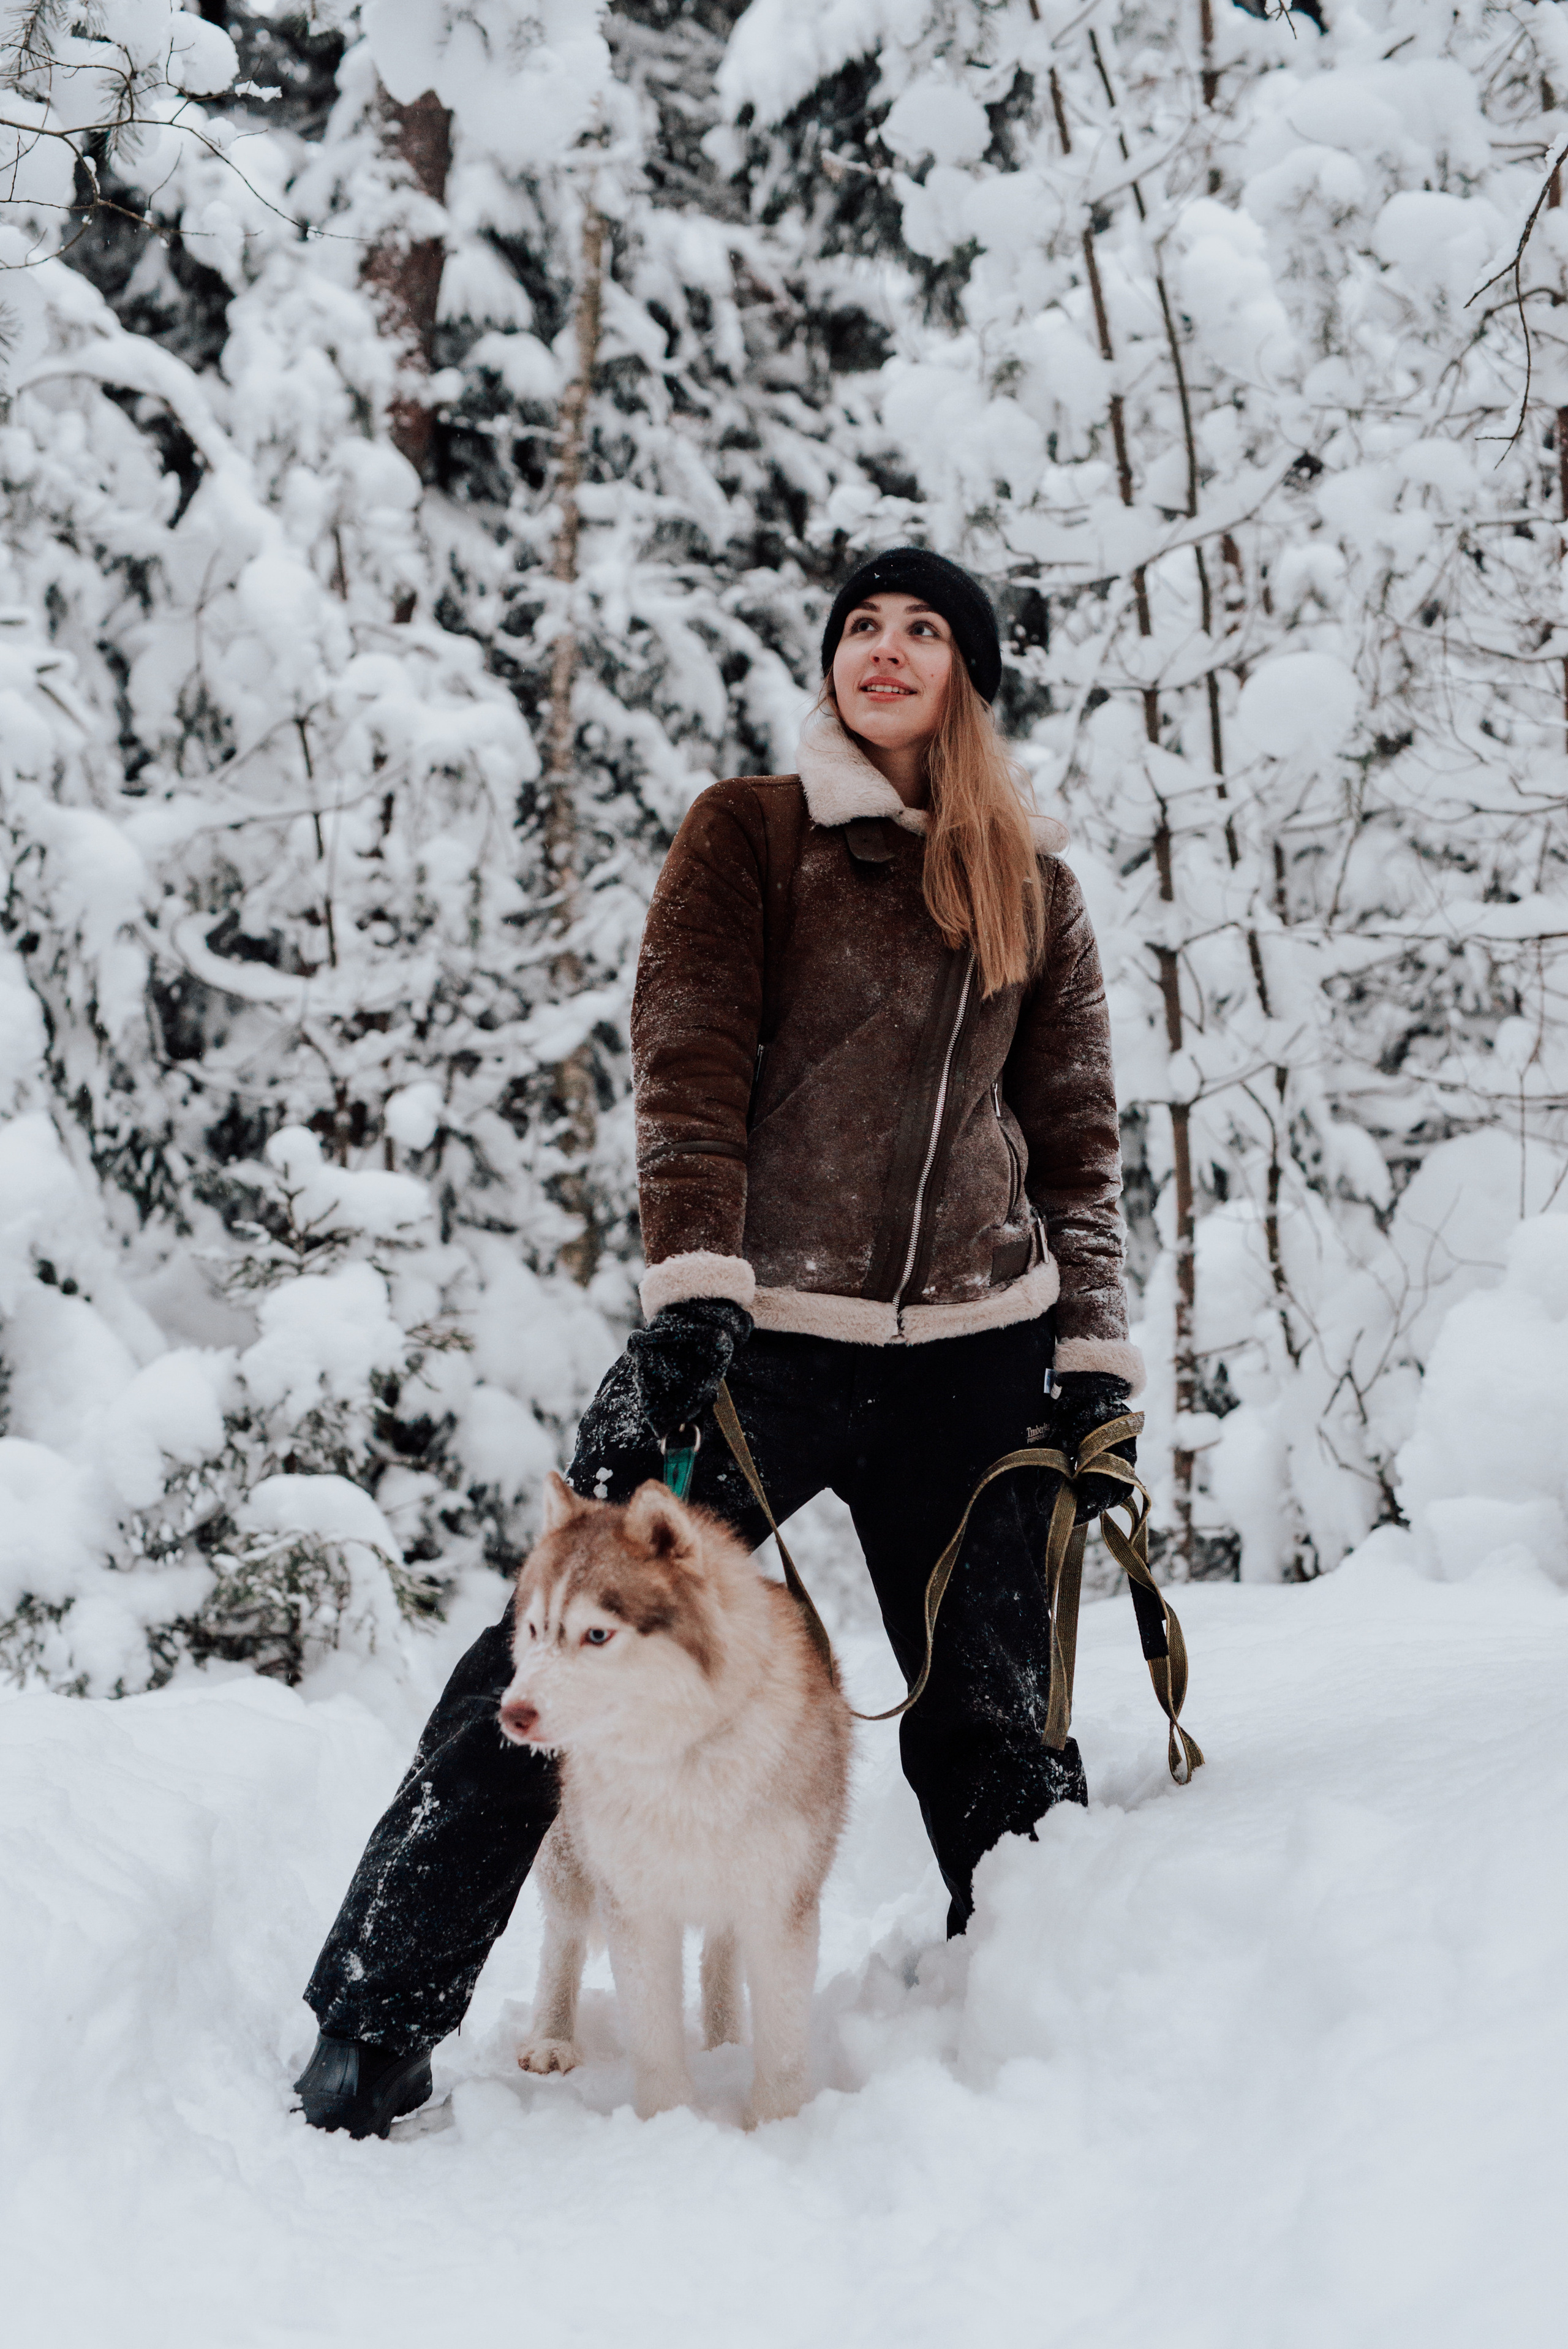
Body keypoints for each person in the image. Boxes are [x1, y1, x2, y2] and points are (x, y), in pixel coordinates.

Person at [293, 547, 1143, 2138]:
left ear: (968, 676)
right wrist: (695, 1288)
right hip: (759, 1346)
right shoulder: (751, 832)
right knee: (548, 1657)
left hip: (977, 1351)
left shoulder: (1031, 885)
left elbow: (1077, 1144)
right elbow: (685, 1055)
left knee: (995, 1710)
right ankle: (375, 2017)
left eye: (925, 630)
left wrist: (1092, 1365)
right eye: (862, 625)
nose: (885, 649)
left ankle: (1033, 2009)